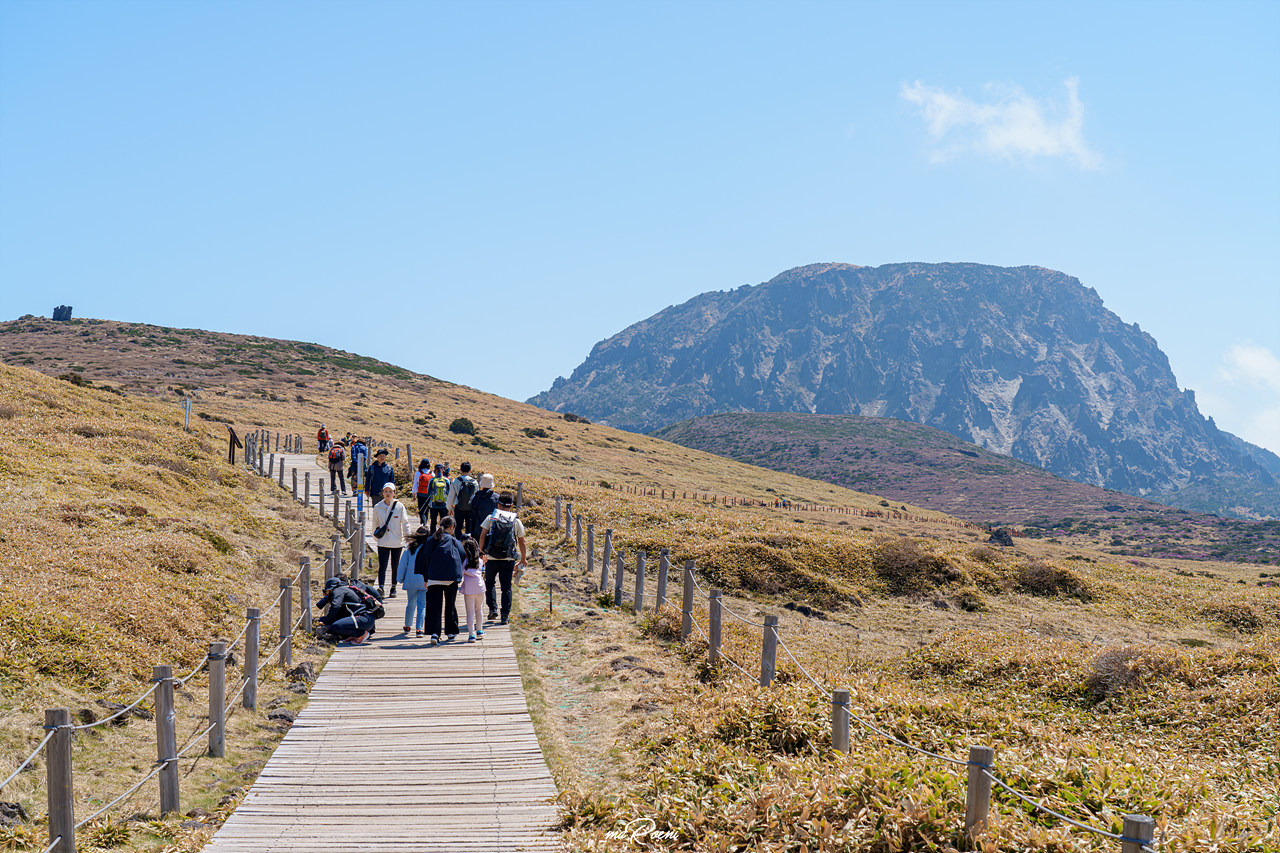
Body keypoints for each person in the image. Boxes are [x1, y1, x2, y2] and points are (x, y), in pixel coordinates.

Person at [477, 491, 527, 625]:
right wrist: (523, 558)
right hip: (509, 558)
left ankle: (492, 609)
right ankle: (505, 615)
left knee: (490, 583)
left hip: (491, 557)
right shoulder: (516, 520)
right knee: (506, 587)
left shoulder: (491, 518)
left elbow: (482, 535)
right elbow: (522, 541)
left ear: (498, 504)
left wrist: (481, 553)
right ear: (511, 506)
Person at [416, 516, 464, 644]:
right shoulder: (453, 540)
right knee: (450, 605)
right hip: (451, 578)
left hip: (433, 577)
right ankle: (451, 632)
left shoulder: (431, 539)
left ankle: (434, 633)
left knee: (434, 606)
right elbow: (463, 554)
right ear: (452, 527)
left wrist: (426, 578)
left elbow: (424, 559)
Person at [372, 482, 410, 598]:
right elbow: (375, 524)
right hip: (383, 541)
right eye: (386, 491)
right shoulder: (378, 507)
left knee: (395, 565)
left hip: (397, 541)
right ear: (382, 493)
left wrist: (408, 538)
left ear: (394, 493)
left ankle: (393, 587)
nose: (388, 494)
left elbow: (405, 523)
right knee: (382, 565)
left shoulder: (400, 506)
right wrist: (376, 538)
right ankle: (381, 587)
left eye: (390, 491)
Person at [396, 526, 431, 636]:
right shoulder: (428, 549)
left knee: (411, 603)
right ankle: (419, 629)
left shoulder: (409, 549)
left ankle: (407, 625)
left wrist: (400, 578)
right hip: (424, 580)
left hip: (411, 580)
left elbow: (402, 565)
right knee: (422, 605)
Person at [316, 577, 373, 644]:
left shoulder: (338, 590)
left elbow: (335, 606)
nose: (325, 595)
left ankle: (361, 634)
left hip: (363, 618)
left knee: (336, 627)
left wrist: (325, 622)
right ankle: (353, 635)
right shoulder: (345, 589)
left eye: (325, 591)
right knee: (326, 621)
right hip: (366, 620)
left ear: (331, 589)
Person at [460, 537, 486, 643]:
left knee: (470, 613)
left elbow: (461, 573)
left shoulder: (465, 563)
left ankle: (471, 634)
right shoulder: (479, 562)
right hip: (480, 588)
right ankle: (480, 630)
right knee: (479, 610)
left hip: (469, 590)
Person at [447, 461, 479, 538]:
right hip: (470, 508)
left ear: (460, 470)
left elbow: (451, 496)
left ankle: (458, 542)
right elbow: (476, 496)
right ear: (470, 471)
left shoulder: (456, 481)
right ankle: (468, 543)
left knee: (458, 527)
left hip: (459, 507)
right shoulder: (474, 482)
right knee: (469, 528)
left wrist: (449, 508)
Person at [469, 473, 499, 540]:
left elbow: (472, 515)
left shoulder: (476, 497)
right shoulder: (497, 498)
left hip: (478, 530)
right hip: (492, 531)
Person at [425, 464, 451, 533]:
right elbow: (449, 492)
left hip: (433, 504)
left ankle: (433, 536)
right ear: (442, 471)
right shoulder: (446, 480)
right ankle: (442, 535)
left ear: (435, 471)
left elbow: (428, 491)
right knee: (443, 522)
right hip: (444, 504)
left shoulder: (432, 480)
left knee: (433, 522)